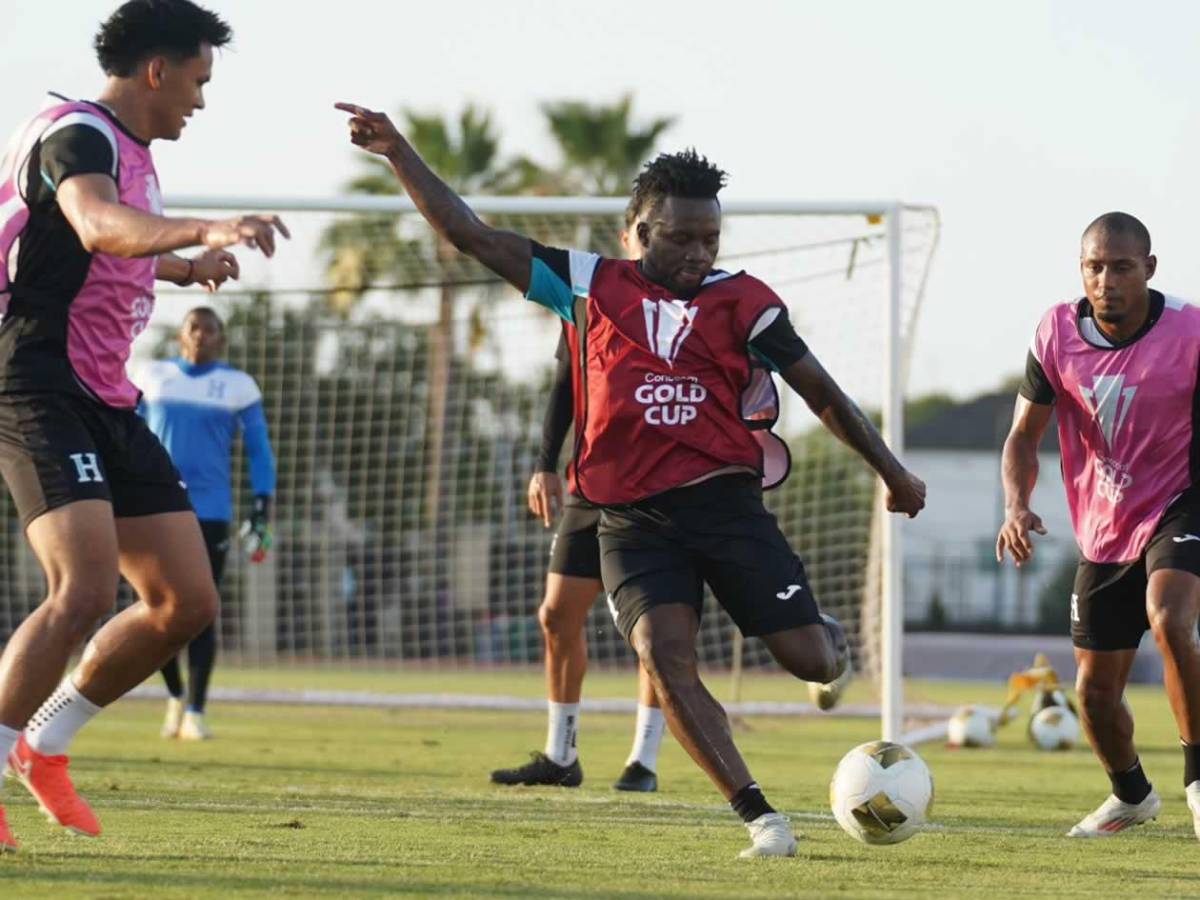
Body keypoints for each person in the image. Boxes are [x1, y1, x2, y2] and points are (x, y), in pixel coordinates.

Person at [336, 102, 925, 857]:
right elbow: (471, 235)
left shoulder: (745, 301)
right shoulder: (583, 285)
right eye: (679, 238)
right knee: (662, 655)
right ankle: (761, 817)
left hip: (727, 509)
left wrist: (892, 470)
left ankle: (830, 641)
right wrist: (398, 153)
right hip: (631, 522)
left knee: (808, 660)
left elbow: (823, 393)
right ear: (638, 233)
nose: (695, 252)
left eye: (708, 238)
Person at [0, 0, 288, 852]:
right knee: (83, 588)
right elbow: (95, 223)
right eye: (198, 81)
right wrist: (204, 225)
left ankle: (44, 746)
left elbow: (101, 247)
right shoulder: (76, 135)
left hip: (103, 394)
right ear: (156, 72)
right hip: (35, 380)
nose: (201, 101)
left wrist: (182, 264)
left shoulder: (132, 153)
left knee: (185, 601)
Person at [998, 212, 1200, 840]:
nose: (1106, 280)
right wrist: (1016, 504)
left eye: (1120, 267)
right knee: (1092, 696)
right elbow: (1023, 438)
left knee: (1169, 618)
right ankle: (1133, 796)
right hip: (1106, 527)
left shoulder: (1191, 332)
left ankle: (1198, 780)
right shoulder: (1055, 333)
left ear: (1149, 269)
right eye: (1094, 267)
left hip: (1181, 502)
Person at [491, 200, 666, 793]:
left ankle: (643, 761)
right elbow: (566, 385)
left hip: (660, 492)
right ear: (628, 236)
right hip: (589, 486)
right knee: (556, 614)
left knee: (655, 631)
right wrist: (544, 466)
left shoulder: (690, 309)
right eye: (642, 234)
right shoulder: (587, 300)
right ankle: (561, 755)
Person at [136, 307, 277, 741]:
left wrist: (262, 504)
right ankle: (176, 694)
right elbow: (126, 435)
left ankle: (196, 712)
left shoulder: (238, 386)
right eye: (193, 327)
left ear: (221, 338)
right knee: (154, 610)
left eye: (210, 329)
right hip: (154, 507)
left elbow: (259, 449)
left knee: (201, 611)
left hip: (211, 512)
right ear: (181, 335)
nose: (201, 335)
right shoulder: (151, 376)